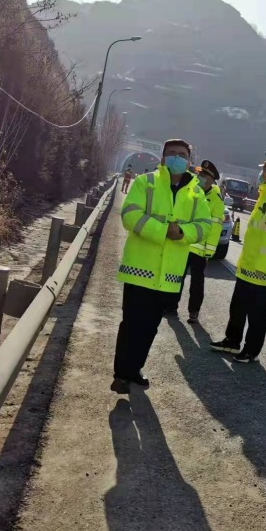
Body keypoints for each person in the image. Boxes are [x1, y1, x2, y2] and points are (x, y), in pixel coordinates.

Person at [111, 139, 211, 394]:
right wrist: (164, 230)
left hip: (169, 274)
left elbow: (204, 226)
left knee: (151, 326)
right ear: (163, 158)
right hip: (139, 269)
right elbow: (130, 215)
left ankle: (135, 368)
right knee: (132, 323)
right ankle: (121, 374)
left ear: (188, 161)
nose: (177, 157)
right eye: (172, 153)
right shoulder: (146, 183)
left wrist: (183, 233)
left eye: (182, 154)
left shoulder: (196, 192)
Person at [210, 151, 266, 363]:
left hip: (260, 269)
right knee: (238, 306)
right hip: (249, 265)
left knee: (256, 313)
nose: (261, 173)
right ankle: (232, 341)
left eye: (264, 170)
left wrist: (262, 266)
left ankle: (251, 351)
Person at [164, 160, 225, 323]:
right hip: (183, 242)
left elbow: (215, 227)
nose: (200, 176)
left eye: (204, 174)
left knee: (197, 282)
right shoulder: (190, 190)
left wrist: (210, 250)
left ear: (212, 179)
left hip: (200, 249)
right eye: (200, 173)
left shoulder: (216, 199)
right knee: (177, 276)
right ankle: (170, 306)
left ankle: (194, 311)